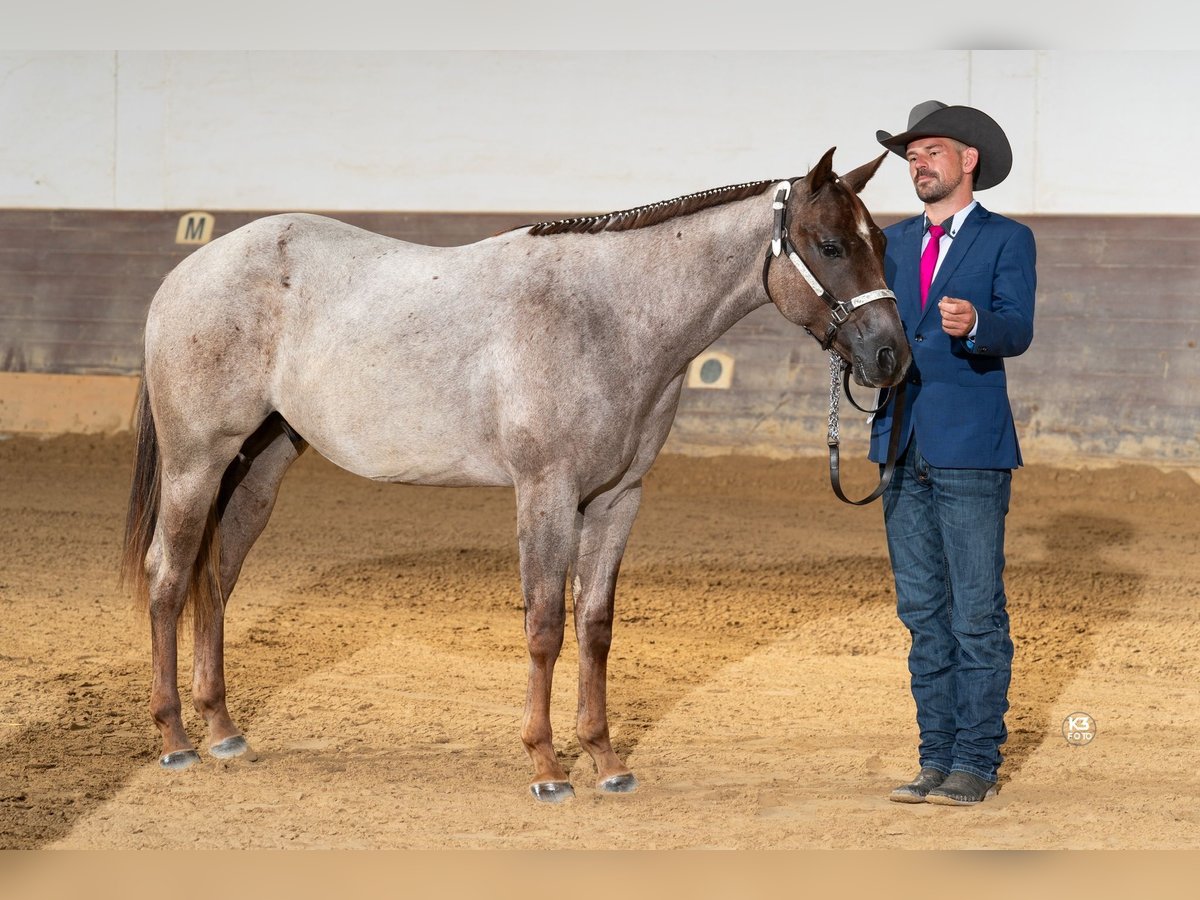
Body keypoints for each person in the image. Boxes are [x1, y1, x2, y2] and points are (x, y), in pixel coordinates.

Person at [869, 100, 1036, 805]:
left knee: (974, 614)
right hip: (900, 441)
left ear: (968, 161)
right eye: (911, 155)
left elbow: (1018, 329)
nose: (919, 163)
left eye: (931, 151)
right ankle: (934, 757)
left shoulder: (1007, 239)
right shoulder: (891, 242)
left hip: (970, 448)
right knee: (922, 615)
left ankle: (976, 761)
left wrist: (976, 326)